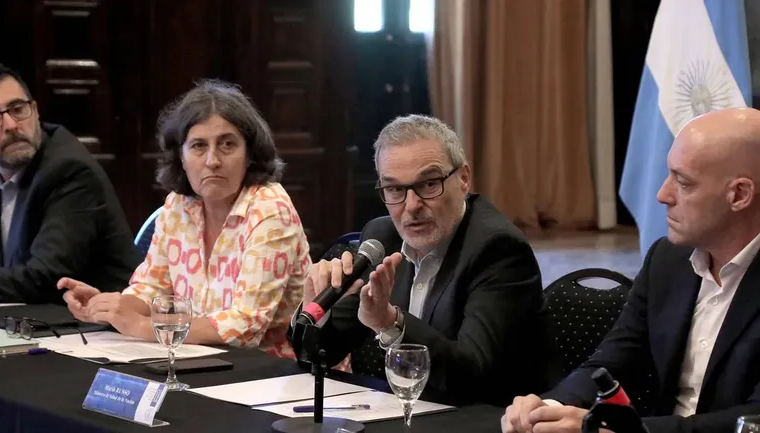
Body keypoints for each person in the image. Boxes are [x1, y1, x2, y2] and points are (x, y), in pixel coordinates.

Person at [502, 107, 760, 433]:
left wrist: (621, 430)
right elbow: (614, 361)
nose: (662, 195)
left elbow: (754, 418)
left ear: (739, 194)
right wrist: (548, 409)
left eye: (683, 182)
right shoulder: (668, 260)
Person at [294, 115, 560, 406]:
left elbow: (473, 376)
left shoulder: (498, 250)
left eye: (429, 184)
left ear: (464, 179)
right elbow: (318, 355)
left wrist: (391, 323)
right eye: (395, 189)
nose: (411, 206)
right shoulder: (383, 237)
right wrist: (317, 309)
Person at [58, 79, 310, 358]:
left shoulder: (270, 208)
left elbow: (245, 327)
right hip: (200, 359)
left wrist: (145, 326)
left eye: (227, 144)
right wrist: (109, 307)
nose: (212, 160)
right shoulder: (178, 206)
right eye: (199, 146)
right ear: (181, 157)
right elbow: (153, 289)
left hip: (278, 374)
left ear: (250, 155)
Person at [0, 63, 139, 303]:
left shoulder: (69, 170)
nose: (11, 125)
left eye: (17, 109)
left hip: (96, 329)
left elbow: (47, 278)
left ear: (36, 111)